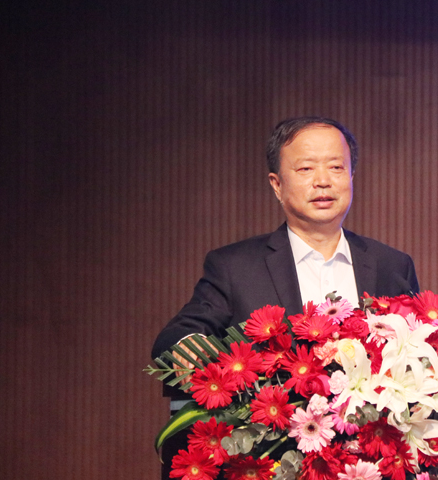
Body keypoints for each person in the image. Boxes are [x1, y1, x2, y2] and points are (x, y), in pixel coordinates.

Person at [152, 116, 419, 478]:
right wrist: (208, 363)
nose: (323, 180)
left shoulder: (392, 265)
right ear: (276, 185)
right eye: (306, 168)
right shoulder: (235, 267)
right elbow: (176, 337)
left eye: (336, 167)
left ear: (352, 176)